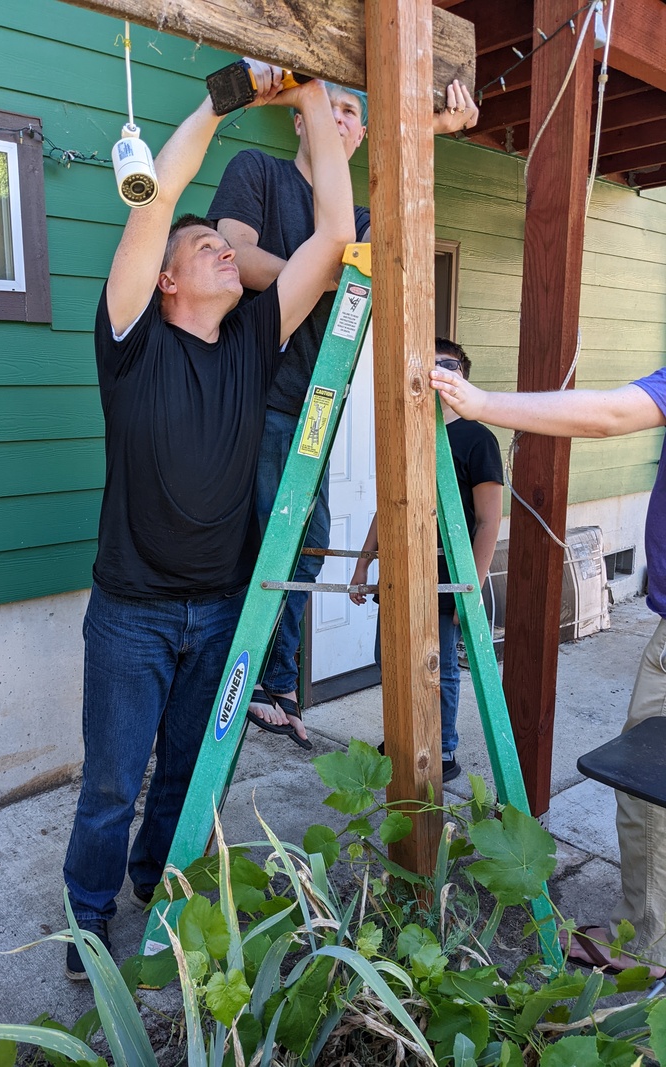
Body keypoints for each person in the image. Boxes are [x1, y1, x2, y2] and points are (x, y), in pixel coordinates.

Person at [62, 72, 355, 979]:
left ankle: (159, 887)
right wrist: (225, 101)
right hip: (133, 615)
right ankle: (87, 920)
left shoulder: (254, 343)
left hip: (220, 611)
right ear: (166, 278)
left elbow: (337, 239)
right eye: (206, 249)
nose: (227, 253)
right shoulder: (131, 339)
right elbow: (160, 203)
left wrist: (313, 103)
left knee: (192, 776)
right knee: (112, 783)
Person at [208, 64, 480, 748]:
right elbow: (235, 257)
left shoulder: (360, 219)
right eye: (325, 106)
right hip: (252, 392)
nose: (339, 119)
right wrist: (325, 270)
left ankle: (274, 683)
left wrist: (435, 129)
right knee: (264, 542)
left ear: (359, 138)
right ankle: (249, 684)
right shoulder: (258, 173)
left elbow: (394, 245)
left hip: (316, 399)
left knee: (307, 545)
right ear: (298, 118)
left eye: (353, 114)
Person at [430, 361, 666, 978]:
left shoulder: (474, 441)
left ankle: (648, 944)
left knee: (651, 796)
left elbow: (610, 413)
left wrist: (479, 402)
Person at [349, 340, 503, 782]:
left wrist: (469, 586)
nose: (436, 372)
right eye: (427, 365)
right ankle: (402, 738)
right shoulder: (409, 433)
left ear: (462, 378)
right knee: (391, 658)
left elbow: (489, 521)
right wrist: (363, 565)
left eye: (447, 366)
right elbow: (387, 507)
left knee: (439, 668)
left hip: (445, 575)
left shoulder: (479, 438)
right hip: (398, 573)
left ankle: (443, 747)